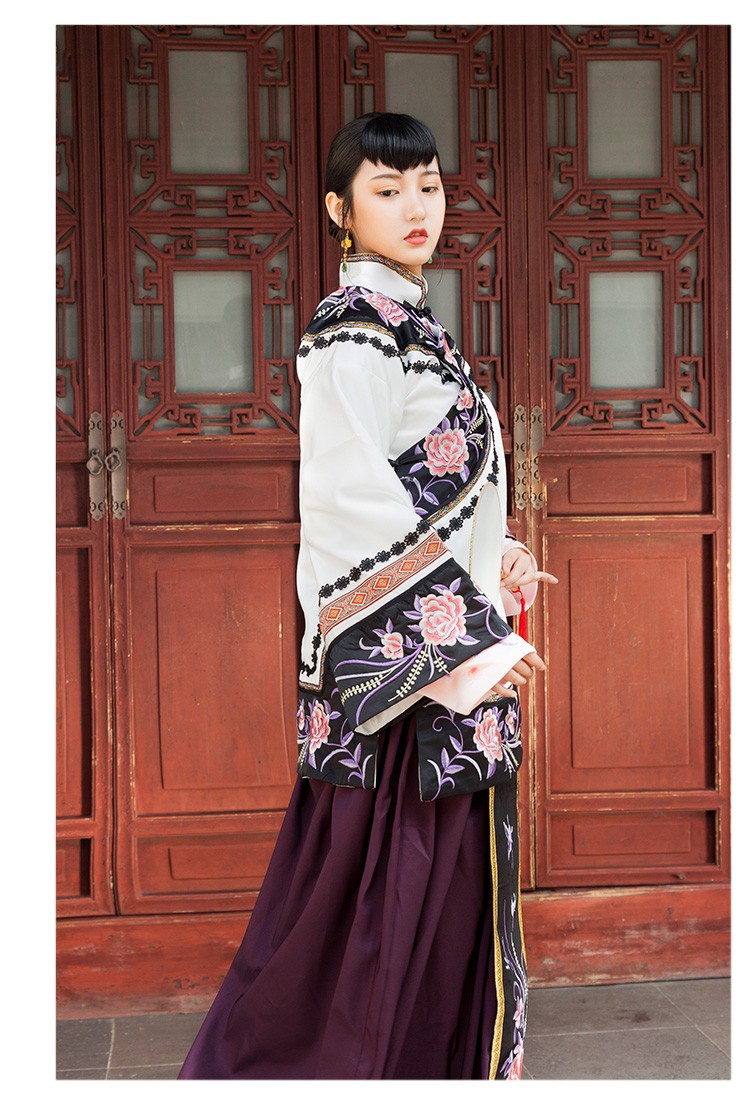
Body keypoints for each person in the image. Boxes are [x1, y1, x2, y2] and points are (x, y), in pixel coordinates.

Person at [178, 111, 558, 1081]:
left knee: (420, 929)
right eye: (387, 190)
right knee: (367, 937)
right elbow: (350, 504)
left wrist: (496, 556)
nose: (416, 206)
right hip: (403, 693)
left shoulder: (412, 326)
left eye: (427, 185)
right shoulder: (355, 328)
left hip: (434, 679)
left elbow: (425, 489)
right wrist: (466, 649)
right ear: (339, 210)